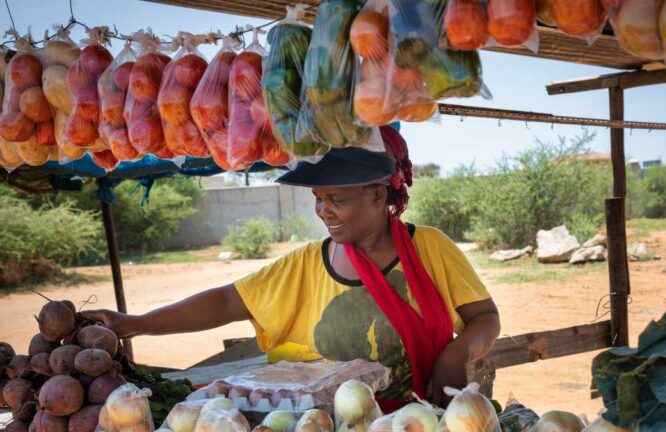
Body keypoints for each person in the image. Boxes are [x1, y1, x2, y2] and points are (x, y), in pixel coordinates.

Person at [83, 126, 501, 410]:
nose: (324, 211)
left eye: (337, 199)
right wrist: (134, 323)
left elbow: (484, 317)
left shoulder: (429, 248)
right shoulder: (306, 264)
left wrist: (459, 350)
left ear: (378, 195)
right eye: (318, 198)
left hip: (420, 418)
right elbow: (228, 300)